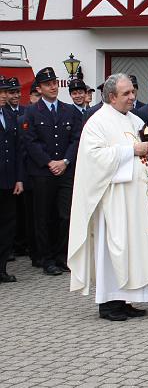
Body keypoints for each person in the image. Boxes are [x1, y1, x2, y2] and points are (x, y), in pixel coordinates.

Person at [66, 74, 148, 321]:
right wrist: (130, 150)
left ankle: (126, 299)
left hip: (137, 202)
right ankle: (110, 303)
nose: (133, 97)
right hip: (114, 201)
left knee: (133, 249)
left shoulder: (134, 119)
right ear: (112, 97)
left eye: (133, 92)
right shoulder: (97, 122)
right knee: (115, 249)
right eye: (126, 94)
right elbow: (93, 158)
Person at [21, 67, 83, 276]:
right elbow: (30, 141)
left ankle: (61, 256)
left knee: (65, 215)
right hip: (43, 172)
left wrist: (65, 161)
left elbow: (76, 138)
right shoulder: (31, 111)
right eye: (48, 84)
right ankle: (46, 258)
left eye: (55, 83)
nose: (53, 87)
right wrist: (49, 162)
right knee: (43, 216)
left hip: (65, 170)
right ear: (39, 88)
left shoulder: (70, 111)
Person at [0, 76, 24, 283]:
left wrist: (19, 178)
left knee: (8, 225)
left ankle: (2, 268)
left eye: (4, 92)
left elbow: (16, 148)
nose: (3, 96)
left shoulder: (9, 114)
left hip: (8, 179)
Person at [5, 77, 31, 263]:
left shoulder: (21, 113)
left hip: (15, 172)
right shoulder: (5, 112)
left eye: (16, 92)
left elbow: (19, 145)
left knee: (13, 218)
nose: (14, 95)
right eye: (9, 92)